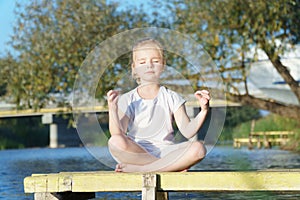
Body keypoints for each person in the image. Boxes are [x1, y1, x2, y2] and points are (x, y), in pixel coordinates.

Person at [106, 38, 210, 172]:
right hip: (137, 153)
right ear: (134, 68)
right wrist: (112, 109)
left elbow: (188, 131)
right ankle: (168, 166)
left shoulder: (172, 97)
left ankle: (142, 169)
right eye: (142, 62)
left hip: (167, 152)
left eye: (155, 61)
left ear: (163, 65)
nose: (149, 65)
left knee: (198, 149)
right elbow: (117, 133)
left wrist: (203, 110)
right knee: (114, 142)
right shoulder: (128, 99)